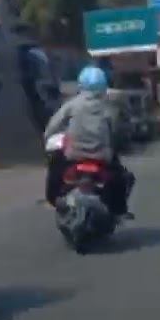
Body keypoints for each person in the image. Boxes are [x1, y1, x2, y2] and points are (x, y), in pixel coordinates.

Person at [42, 65, 135, 217]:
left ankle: (52, 199)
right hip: (101, 157)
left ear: (81, 85)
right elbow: (117, 130)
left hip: (74, 155)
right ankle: (119, 210)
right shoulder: (108, 106)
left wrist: (47, 138)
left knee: (54, 168)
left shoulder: (72, 104)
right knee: (121, 177)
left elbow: (53, 125)